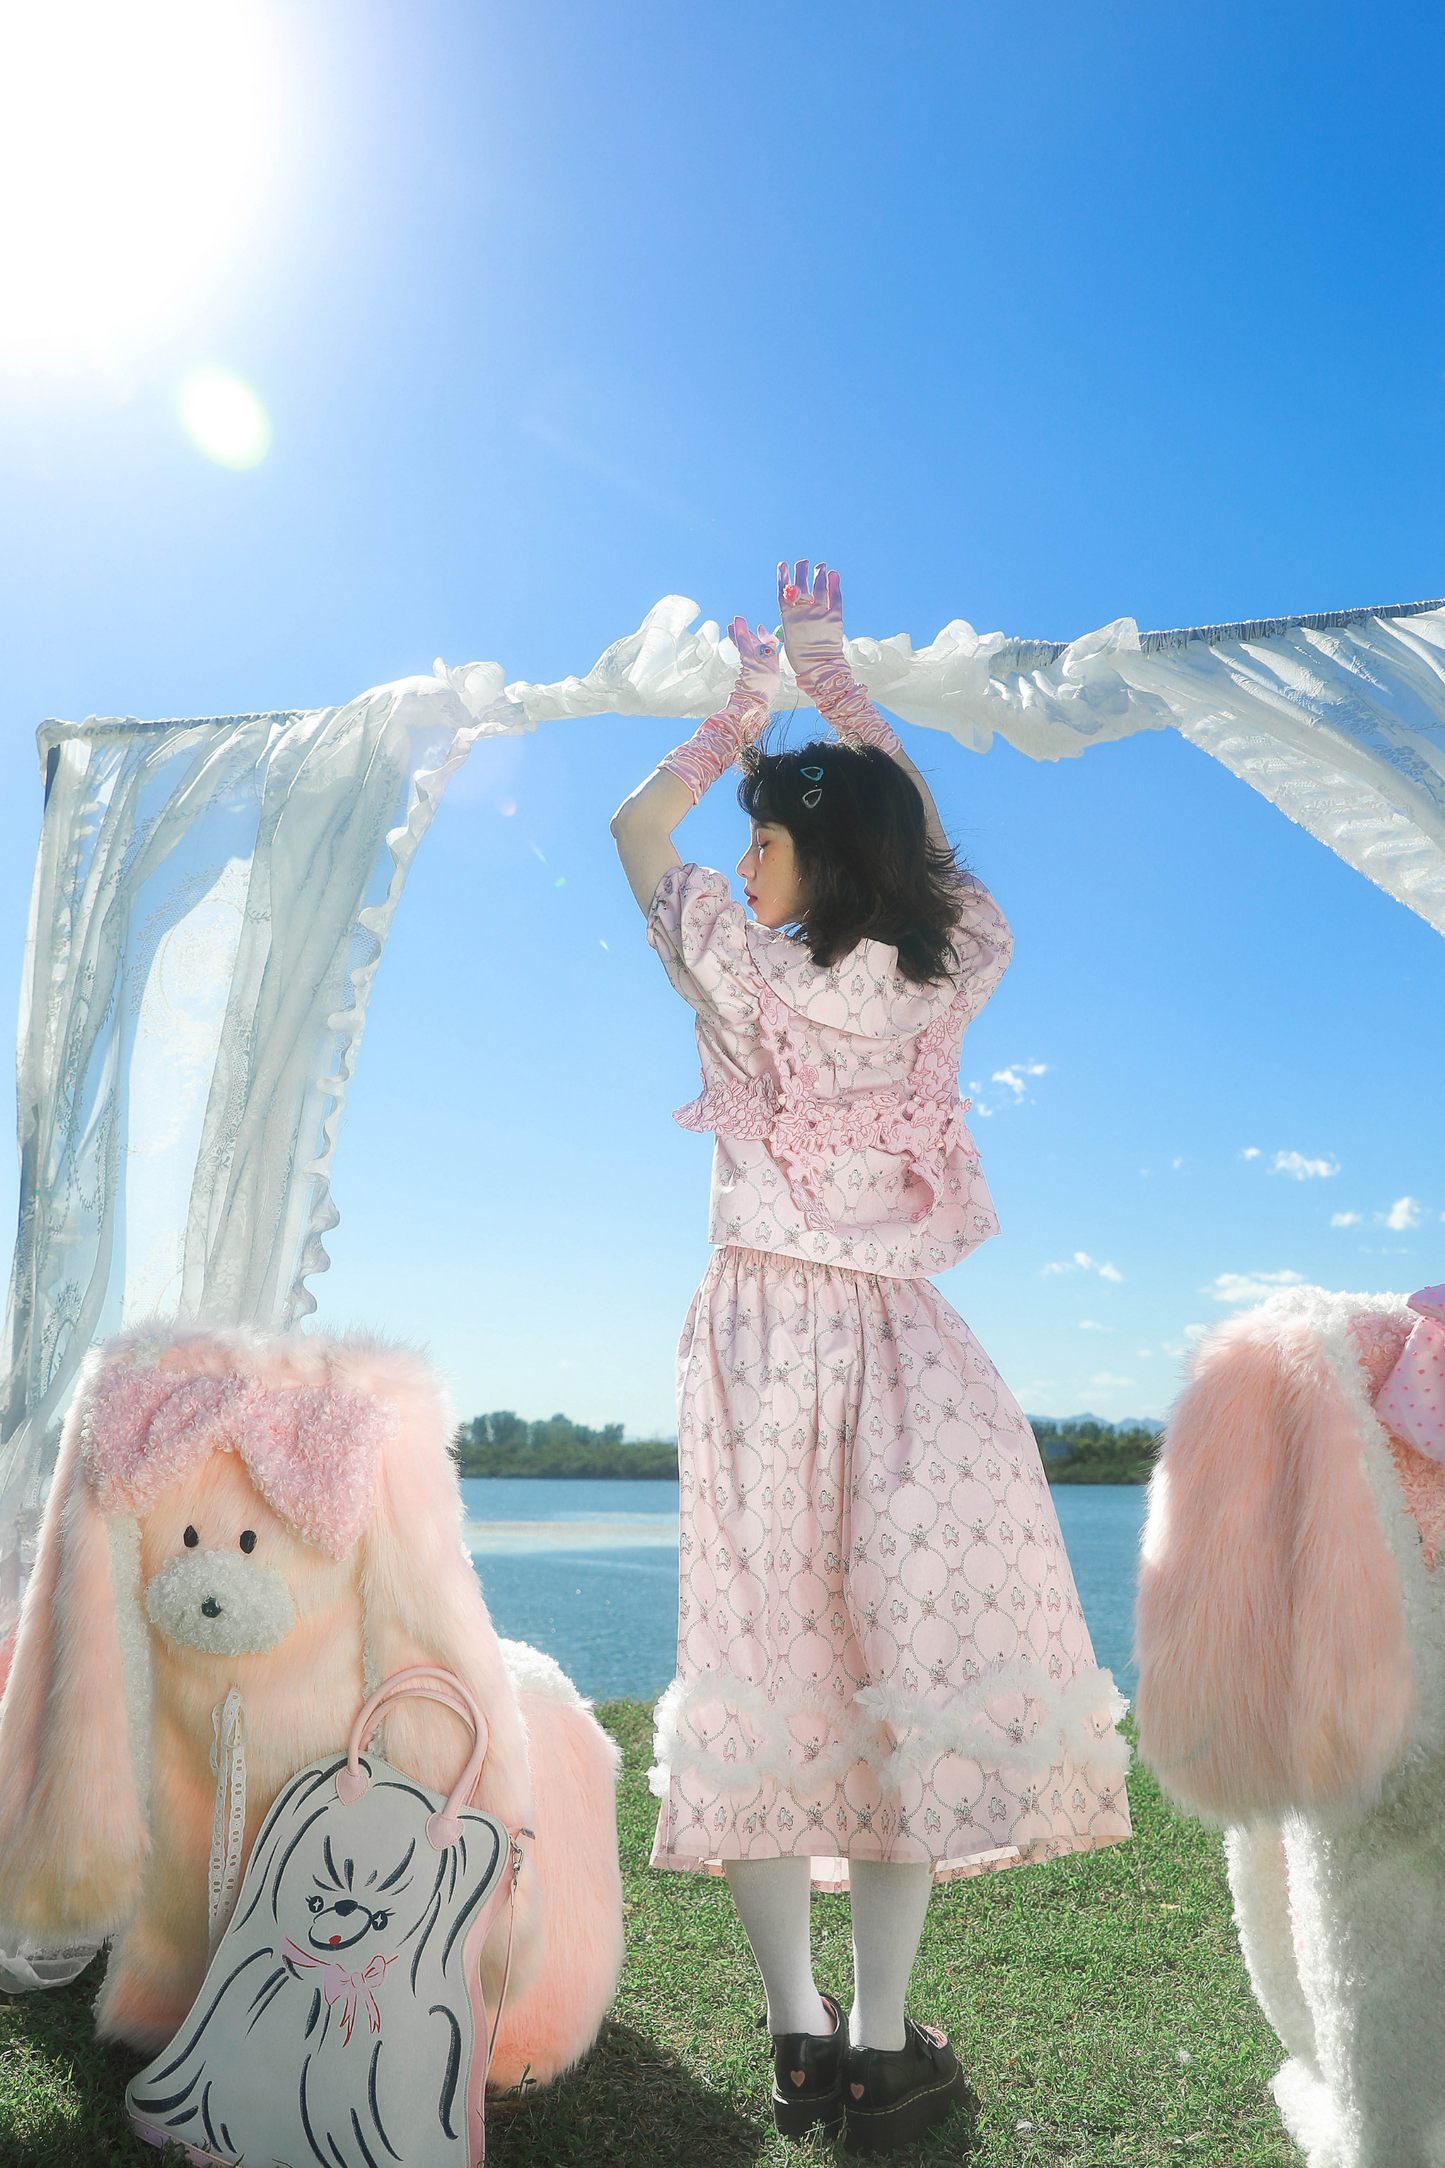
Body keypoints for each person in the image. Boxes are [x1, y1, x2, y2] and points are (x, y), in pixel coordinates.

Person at [610, 561, 1131, 2155]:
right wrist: (836, 693)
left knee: (766, 1680)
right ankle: (882, 2046)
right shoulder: (938, 977)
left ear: (819, 857)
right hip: (906, 1356)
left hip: (764, 1344)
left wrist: (742, 714)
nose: (741, 856)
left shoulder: (738, 967)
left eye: (766, 837)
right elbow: (933, 854)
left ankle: (799, 2037)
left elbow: (635, 829)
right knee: (899, 1674)